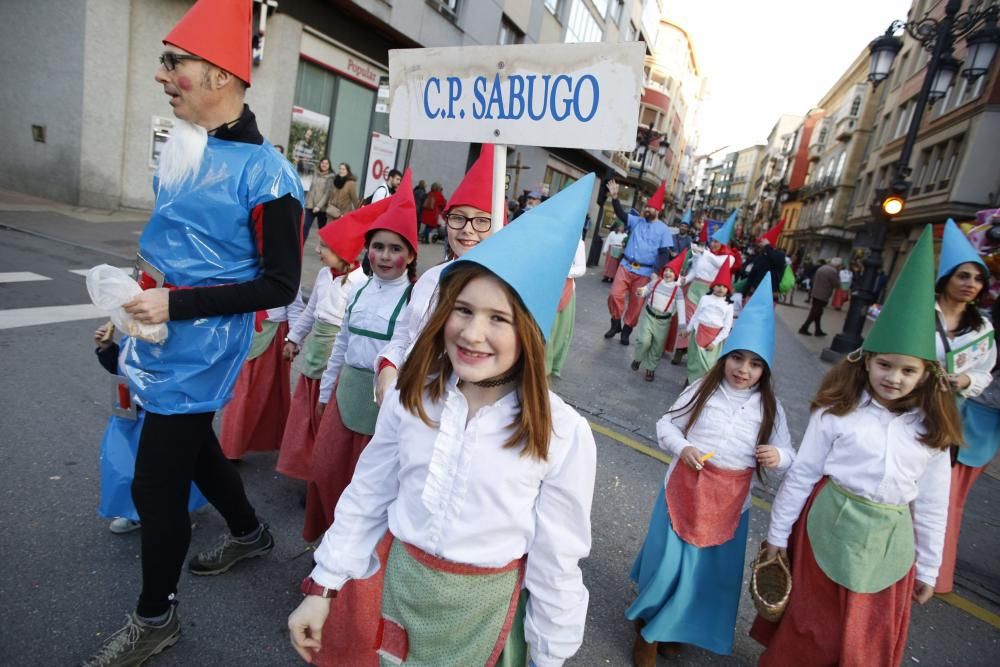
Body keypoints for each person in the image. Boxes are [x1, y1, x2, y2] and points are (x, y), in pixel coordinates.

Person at [287, 174, 597, 667]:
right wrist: (322, 585)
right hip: (397, 591)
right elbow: (369, 492)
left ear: (532, 334)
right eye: (463, 310)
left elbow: (557, 562)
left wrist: (549, 656)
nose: (473, 333)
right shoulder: (412, 398)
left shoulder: (562, 433)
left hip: (482, 614)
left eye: (500, 318)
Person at [82, 2, 303, 664]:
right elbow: (172, 252)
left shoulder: (271, 177)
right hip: (160, 326)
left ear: (221, 75)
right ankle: (248, 529)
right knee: (189, 445)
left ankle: (156, 618)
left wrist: (172, 308)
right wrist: (131, 304)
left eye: (174, 62)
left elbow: (279, 286)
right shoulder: (183, 144)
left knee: (156, 483)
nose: (162, 75)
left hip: (203, 346)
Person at [752, 227, 960, 666]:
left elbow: (935, 502)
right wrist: (777, 535)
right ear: (865, 362)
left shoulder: (932, 430)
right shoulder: (835, 412)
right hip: (827, 526)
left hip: (889, 542)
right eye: (885, 365)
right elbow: (803, 473)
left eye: (908, 371)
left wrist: (928, 567)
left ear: (925, 375)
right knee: (814, 625)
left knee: (866, 636)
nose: (894, 378)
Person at [628, 280, 793, 664]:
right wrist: (683, 448)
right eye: (738, 359)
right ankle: (648, 632)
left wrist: (778, 456)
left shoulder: (770, 407)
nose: (744, 370)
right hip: (684, 489)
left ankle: (674, 626)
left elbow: (791, 454)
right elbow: (666, 425)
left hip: (731, 503)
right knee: (670, 567)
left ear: (764, 370)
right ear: (725, 356)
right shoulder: (704, 389)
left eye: (755, 364)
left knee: (703, 576)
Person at [304, 172, 419, 543]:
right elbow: (341, 344)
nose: (385, 256)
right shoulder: (359, 290)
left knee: (367, 485)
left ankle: (358, 552)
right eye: (378, 246)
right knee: (326, 471)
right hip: (345, 394)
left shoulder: (414, 300)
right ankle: (330, 542)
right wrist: (324, 395)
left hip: (381, 405)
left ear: (411, 254)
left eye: (395, 248)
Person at [374, 145, 499, 405]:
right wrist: (388, 368)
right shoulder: (431, 278)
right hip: (407, 401)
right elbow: (404, 336)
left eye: (481, 221)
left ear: (498, 226)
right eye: (459, 218)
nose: (467, 229)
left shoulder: (505, 290)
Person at [93, 323, 208, 536]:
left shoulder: (181, 336)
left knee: (171, 465)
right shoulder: (134, 335)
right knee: (125, 463)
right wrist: (108, 349)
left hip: (168, 410)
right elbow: (122, 368)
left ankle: (174, 513)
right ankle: (136, 511)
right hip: (131, 412)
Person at [276, 220, 367, 482]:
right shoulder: (323, 275)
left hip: (335, 361)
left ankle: (322, 474)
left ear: (343, 251)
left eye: (325, 246)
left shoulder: (360, 283)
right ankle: (305, 468)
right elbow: (309, 311)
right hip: (315, 354)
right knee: (305, 417)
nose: (318, 249)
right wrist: (293, 339)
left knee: (325, 417)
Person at [932, 219, 996, 594]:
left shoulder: (981, 328)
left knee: (934, 495)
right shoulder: (919, 311)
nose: (971, 283)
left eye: (978, 279)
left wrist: (966, 381)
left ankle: (922, 569)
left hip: (949, 418)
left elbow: (986, 373)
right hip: (905, 409)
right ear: (945, 278)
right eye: (963, 275)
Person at [218, 303, 296, 460]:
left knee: (266, 391)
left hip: (274, 332)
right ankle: (233, 445)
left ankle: (267, 439)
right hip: (247, 326)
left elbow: (295, 304)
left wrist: (293, 339)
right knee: (242, 391)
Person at [605, 180, 674, 345]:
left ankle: (627, 331)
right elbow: (621, 214)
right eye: (646, 207)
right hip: (626, 265)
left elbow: (665, 254)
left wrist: (656, 272)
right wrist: (615, 197)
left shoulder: (664, 230)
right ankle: (616, 323)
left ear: (658, 210)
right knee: (614, 295)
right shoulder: (637, 221)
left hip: (645, 272)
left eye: (650, 208)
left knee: (636, 304)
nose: (647, 210)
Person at [665, 212, 738, 365]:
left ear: (724, 243)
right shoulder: (705, 254)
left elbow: (720, 263)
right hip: (694, 290)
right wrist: (683, 280)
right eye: (713, 241)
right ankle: (679, 349)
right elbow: (695, 272)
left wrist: (704, 253)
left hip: (713, 295)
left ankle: (694, 351)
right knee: (685, 320)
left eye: (717, 242)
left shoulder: (728, 257)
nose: (714, 244)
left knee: (701, 323)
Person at [630, 250, 687, 382]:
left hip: (664, 321)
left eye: (671, 272)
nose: (668, 273)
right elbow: (645, 290)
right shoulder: (656, 283)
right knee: (643, 341)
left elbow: (681, 308)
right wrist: (640, 291)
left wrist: (683, 326)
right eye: (666, 270)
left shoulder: (677, 291)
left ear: (676, 275)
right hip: (649, 316)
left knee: (657, 346)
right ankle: (638, 358)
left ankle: (651, 368)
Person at [686, 261, 735, 384]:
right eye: (718, 285)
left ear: (728, 290)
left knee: (707, 364)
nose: (720, 288)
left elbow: (727, 327)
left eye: (724, 286)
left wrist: (715, 342)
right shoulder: (705, 298)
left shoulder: (728, 306)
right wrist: (688, 329)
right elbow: (696, 315)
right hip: (699, 333)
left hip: (714, 337)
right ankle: (691, 380)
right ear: (713, 285)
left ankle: (701, 384)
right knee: (694, 359)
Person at [546, 239, 587, 377]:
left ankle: (550, 367)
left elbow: (581, 268)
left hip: (565, 290)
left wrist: (563, 271)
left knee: (559, 332)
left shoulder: (577, 241)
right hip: (543, 286)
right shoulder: (548, 235)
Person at [743, 220, 786, 300]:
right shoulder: (760, 256)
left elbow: (778, 260)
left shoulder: (779, 255)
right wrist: (745, 293)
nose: (759, 245)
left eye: (762, 243)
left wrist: (768, 247)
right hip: (754, 293)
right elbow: (752, 276)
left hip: (769, 294)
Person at [798, 257, 840, 336]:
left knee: (818, 312)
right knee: (815, 312)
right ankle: (804, 327)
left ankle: (818, 330)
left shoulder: (822, 268)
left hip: (815, 292)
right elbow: (837, 284)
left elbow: (814, 278)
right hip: (823, 294)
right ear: (837, 265)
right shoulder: (833, 271)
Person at [303, 157, 333, 241]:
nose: (324, 165)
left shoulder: (331, 177)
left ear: (329, 165)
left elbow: (327, 194)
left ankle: (323, 249)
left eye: (326, 163)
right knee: (305, 227)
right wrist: (308, 202)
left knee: (322, 230)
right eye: (323, 163)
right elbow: (311, 189)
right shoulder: (315, 173)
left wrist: (319, 206)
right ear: (320, 163)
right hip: (310, 206)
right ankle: (299, 249)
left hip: (322, 208)